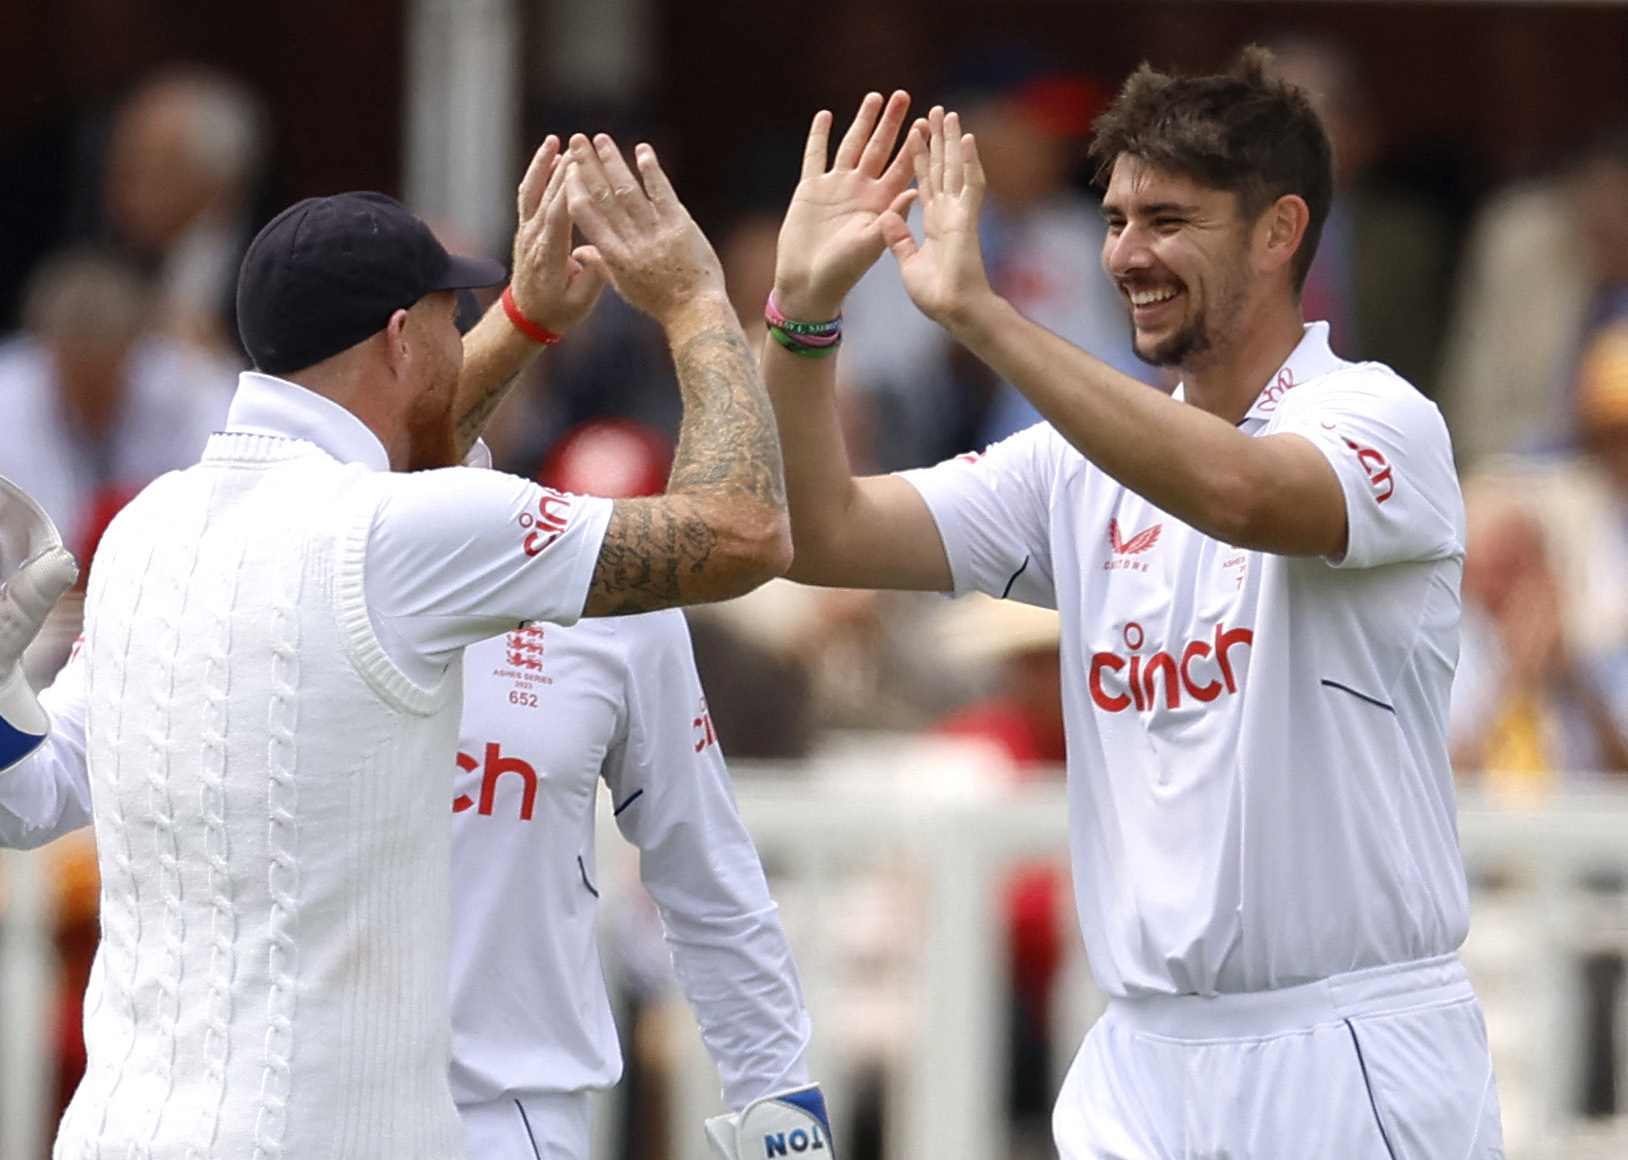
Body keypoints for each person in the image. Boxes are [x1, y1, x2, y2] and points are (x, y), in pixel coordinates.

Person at [0, 129, 794, 1159]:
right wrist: (693, 298)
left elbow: (26, 796)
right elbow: (745, 530)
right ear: (397, 339)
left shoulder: (152, 523)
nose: (468, 344)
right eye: (452, 322)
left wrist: (520, 320)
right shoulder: (407, 532)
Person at [764, 58, 1502, 1158]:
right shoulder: (1075, 466)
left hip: (1345, 1049)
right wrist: (801, 313)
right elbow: (824, 532)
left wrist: (980, 314)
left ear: (1276, 230)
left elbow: (1239, 491)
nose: (1125, 254)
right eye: (1112, 218)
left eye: (1167, 218)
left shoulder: (1379, 416)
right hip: (1138, 1065)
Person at [0, 453, 824, 1160]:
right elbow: (31, 795)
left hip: (503, 1123)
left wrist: (784, 1118)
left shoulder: (594, 585)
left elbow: (708, 878)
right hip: (270, 1119)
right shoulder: (215, 552)